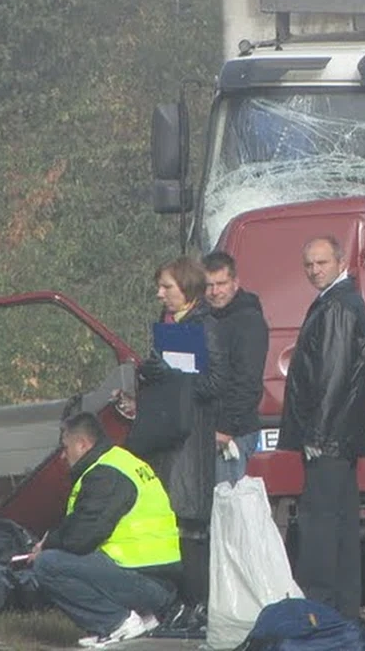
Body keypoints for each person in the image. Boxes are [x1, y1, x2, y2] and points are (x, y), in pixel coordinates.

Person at [277, 235, 365, 620]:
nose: (314, 270)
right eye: (309, 264)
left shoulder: (336, 307)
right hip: (339, 435)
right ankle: (343, 610)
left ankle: (320, 607)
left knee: (320, 523)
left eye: (322, 263)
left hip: (329, 437)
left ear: (340, 261)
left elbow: (333, 374)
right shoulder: (339, 301)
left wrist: (316, 434)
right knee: (341, 524)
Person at [29, 412, 181, 647]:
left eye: (65, 448)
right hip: (157, 578)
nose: (62, 456)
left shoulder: (105, 474)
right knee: (60, 557)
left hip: (147, 581)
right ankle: (144, 618)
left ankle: (116, 623)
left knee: (48, 565)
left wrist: (47, 545)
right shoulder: (120, 463)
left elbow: (81, 538)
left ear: (82, 444)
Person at [137, 257, 224, 626]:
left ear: (186, 288)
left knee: (190, 525)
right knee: (171, 523)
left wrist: (172, 374)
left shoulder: (205, 326)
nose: (160, 294)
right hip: (166, 437)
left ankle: (199, 604)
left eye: (167, 287)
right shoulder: (168, 323)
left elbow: (214, 382)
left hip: (191, 439)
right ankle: (176, 603)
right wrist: (150, 373)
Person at [202, 250, 270, 484]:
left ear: (235, 283)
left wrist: (226, 428)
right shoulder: (206, 319)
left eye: (221, 284)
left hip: (234, 432)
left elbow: (247, 381)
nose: (215, 292)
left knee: (227, 498)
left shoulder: (249, 321)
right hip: (209, 428)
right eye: (209, 285)